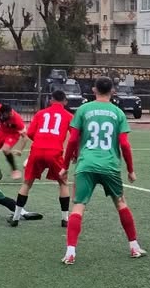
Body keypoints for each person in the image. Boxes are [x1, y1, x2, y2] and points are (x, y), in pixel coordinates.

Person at [59, 77, 144, 265]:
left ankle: (70, 252)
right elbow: (124, 144)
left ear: (93, 89)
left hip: (86, 164)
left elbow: (72, 140)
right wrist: (130, 170)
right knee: (121, 203)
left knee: (79, 206)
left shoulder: (83, 110)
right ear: (113, 91)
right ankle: (134, 246)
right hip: (110, 165)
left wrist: (65, 166)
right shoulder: (118, 113)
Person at [10, 90, 72, 227]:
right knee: (63, 183)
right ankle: (65, 219)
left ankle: (15, 217)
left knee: (27, 183)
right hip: (55, 152)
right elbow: (74, 136)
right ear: (65, 102)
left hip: (37, 150)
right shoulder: (68, 116)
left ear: (51, 100)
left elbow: (30, 134)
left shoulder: (40, 114)